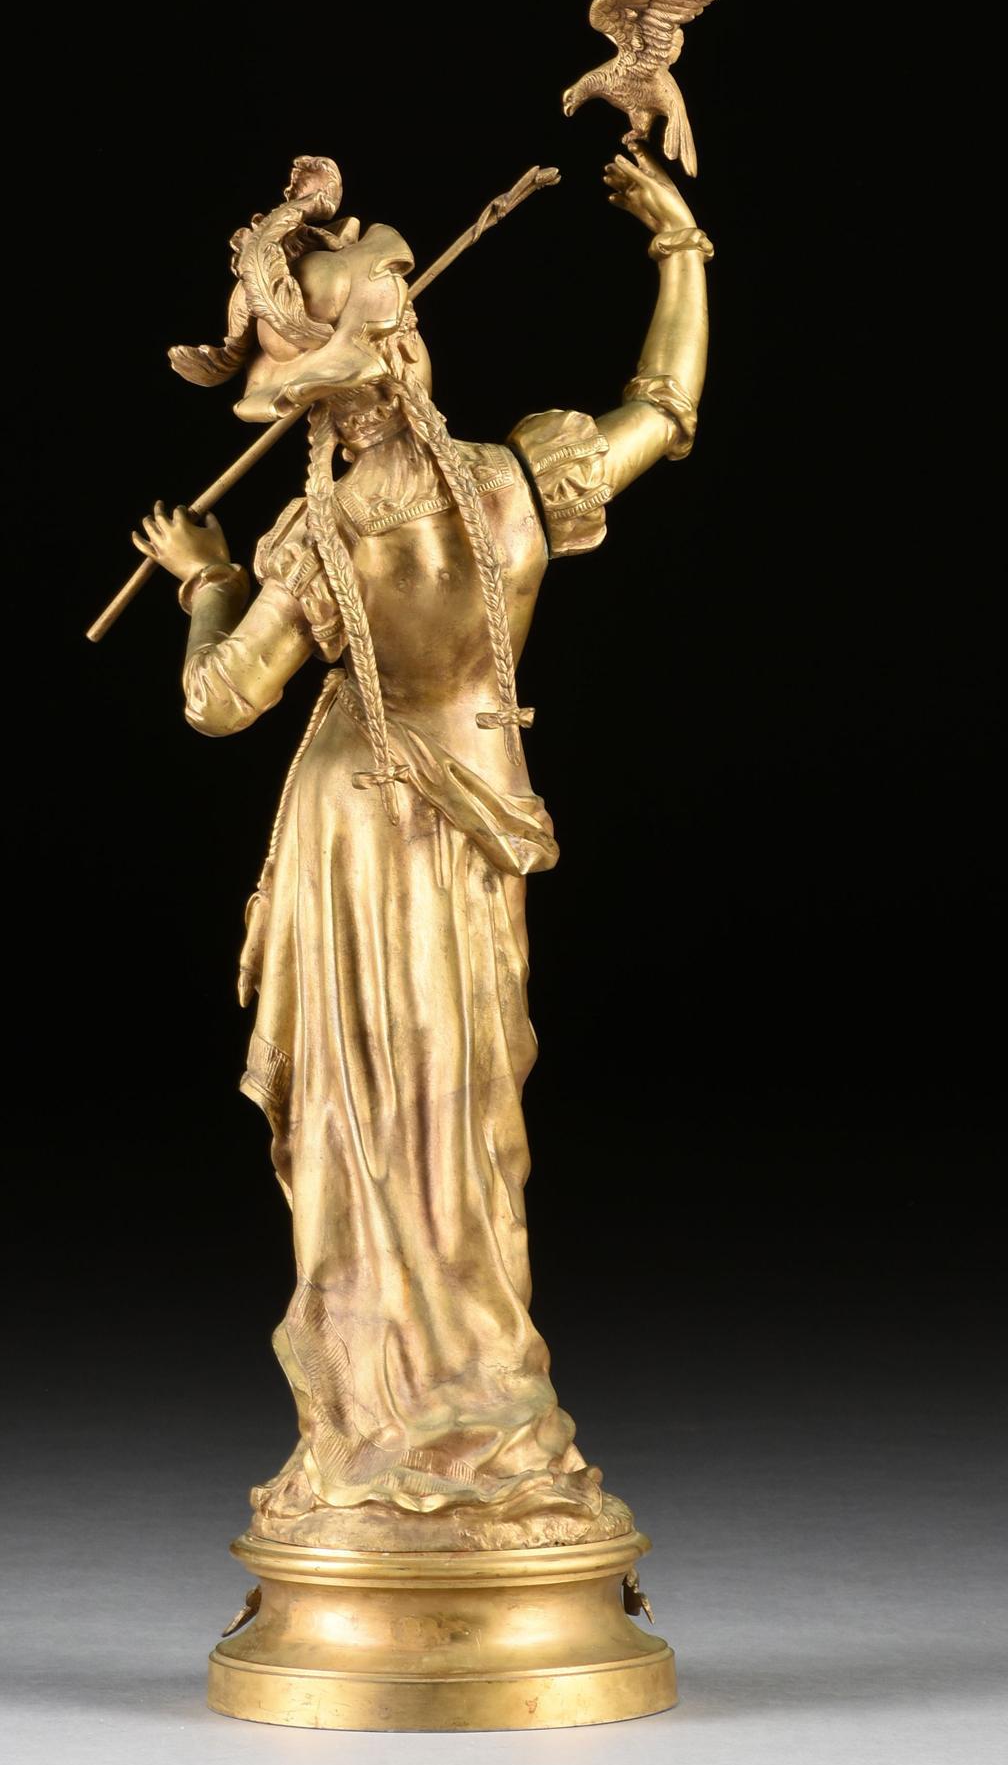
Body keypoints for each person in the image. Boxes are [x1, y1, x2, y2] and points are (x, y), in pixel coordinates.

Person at [133, 147, 712, 1551]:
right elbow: (663, 407)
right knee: (462, 1111)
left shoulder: (315, 538)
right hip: (461, 832)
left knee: (373, 1131)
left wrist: (206, 582)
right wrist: (682, 249)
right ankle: (461, 1408)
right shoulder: (512, 484)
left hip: (358, 831)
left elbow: (218, 704)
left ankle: (405, 1421)